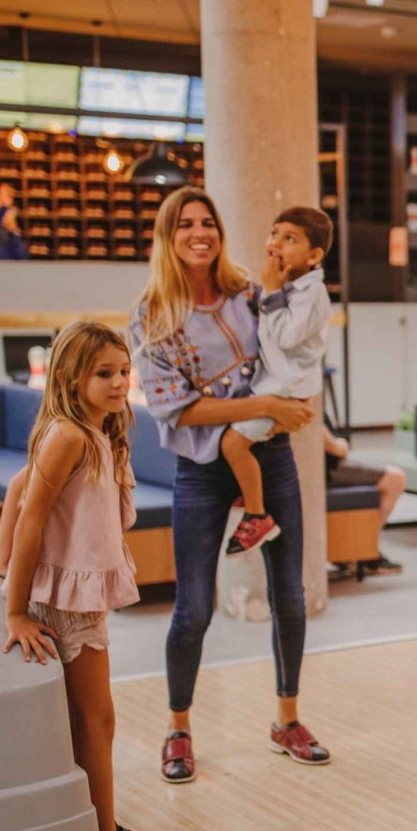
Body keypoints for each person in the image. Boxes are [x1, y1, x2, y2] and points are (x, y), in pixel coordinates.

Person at [129, 186, 328, 782]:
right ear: (168, 238)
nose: (199, 232)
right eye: (185, 224)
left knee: (288, 595)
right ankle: (179, 729)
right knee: (193, 607)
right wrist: (264, 401)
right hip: (200, 470)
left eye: (207, 222)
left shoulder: (249, 293)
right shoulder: (150, 316)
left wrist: (286, 403)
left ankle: (287, 719)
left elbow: (299, 347)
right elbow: (176, 410)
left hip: (271, 456)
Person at [0, 320, 179, 831]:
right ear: (71, 377)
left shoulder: (96, 431)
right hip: (63, 603)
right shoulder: (69, 435)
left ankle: (101, 825)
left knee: (92, 719)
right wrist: (13, 606)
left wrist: (6, 572)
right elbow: (28, 515)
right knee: (96, 720)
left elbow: (14, 487)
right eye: (104, 373)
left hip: (76, 596)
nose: (119, 382)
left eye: (123, 372)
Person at [220, 206, 334, 555]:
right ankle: (249, 487)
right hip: (277, 385)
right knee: (240, 441)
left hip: (285, 389)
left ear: (314, 255)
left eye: (290, 238)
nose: (277, 243)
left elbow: (285, 336)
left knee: (232, 445)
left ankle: (257, 514)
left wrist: (270, 290)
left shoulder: (311, 293)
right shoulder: (289, 287)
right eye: (274, 233)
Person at [322, 416, 406, 574]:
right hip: (328, 470)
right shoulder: (304, 398)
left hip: (328, 467)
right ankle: (364, 549)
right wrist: (341, 445)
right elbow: (334, 447)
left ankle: (358, 549)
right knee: (396, 479)